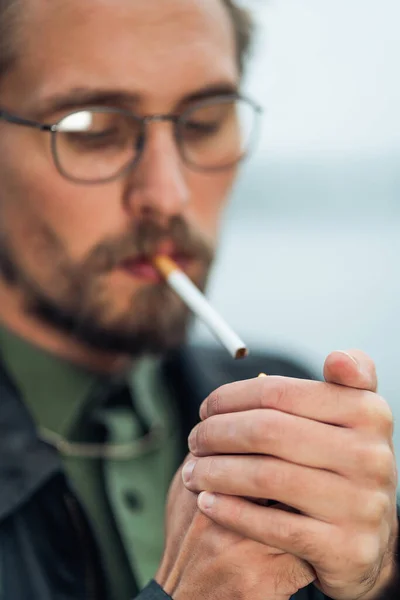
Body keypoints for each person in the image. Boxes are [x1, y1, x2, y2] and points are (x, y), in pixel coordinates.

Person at [0, 0, 398, 599]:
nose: (168, 194)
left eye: (205, 122)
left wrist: (378, 575)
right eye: (92, 129)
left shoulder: (276, 411)